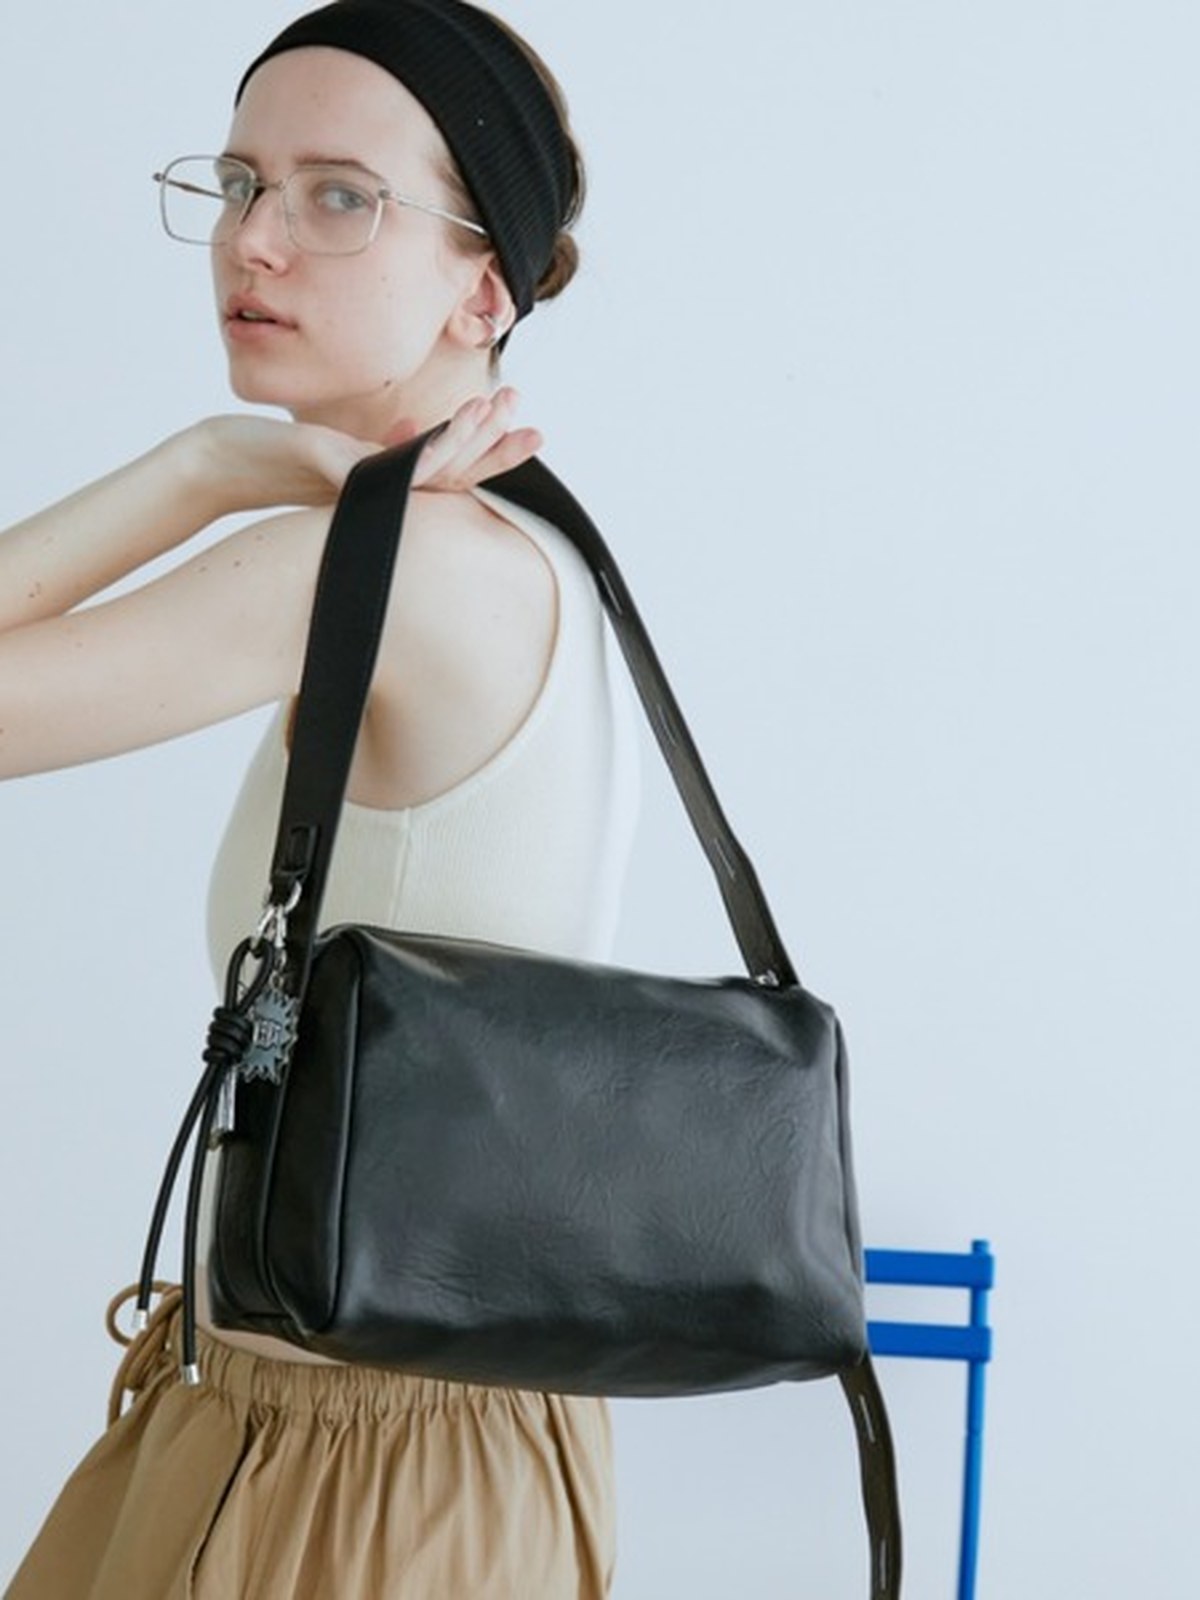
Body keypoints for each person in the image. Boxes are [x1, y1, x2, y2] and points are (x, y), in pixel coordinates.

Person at [1, 3, 639, 1596]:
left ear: (484, 286)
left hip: (362, 1462)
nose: (255, 238)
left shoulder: (404, 567)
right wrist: (231, 467)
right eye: (238, 182)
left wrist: (198, 471)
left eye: (339, 195)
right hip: (364, 1421)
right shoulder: (522, 550)